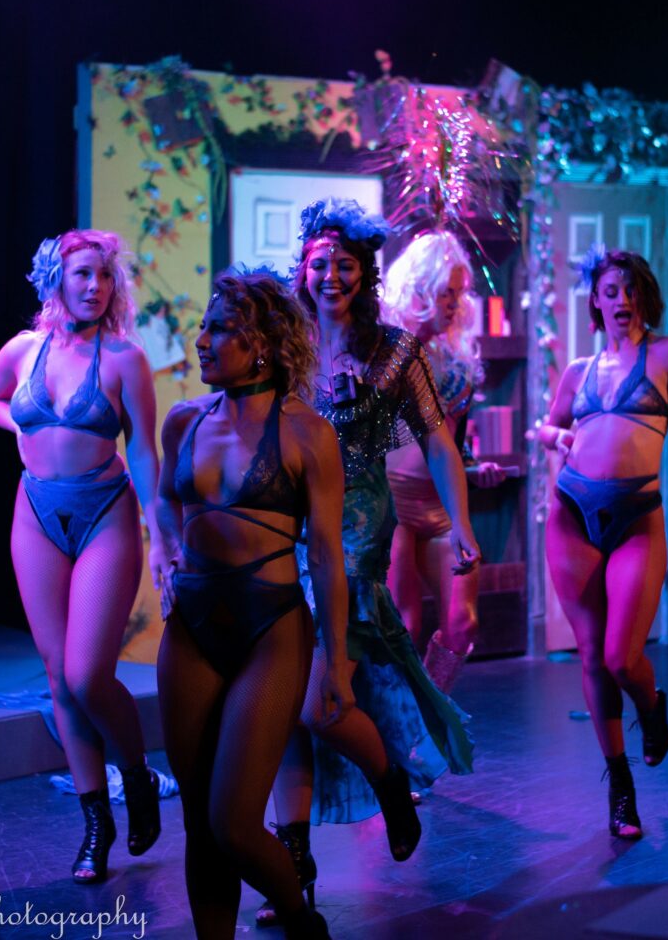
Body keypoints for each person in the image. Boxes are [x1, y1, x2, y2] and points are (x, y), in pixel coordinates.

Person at [260, 199, 479, 926]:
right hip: (284, 524)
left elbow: (438, 440)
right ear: (303, 269)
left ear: (365, 273)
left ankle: (387, 777)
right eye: (318, 263)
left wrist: (462, 524)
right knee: (286, 709)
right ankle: (294, 878)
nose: (329, 275)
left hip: (355, 527)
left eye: (344, 264)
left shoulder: (393, 352)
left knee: (311, 698)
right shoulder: (281, 345)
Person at [155, 268, 350, 939]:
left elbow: (326, 555)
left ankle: (300, 919)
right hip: (192, 624)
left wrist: (336, 662)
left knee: (233, 824)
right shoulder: (184, 421)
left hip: (272, 628)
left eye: (219, 329)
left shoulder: (307, 434)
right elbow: (164, 497)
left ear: (261, 343)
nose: (202, 340)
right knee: (198, 822)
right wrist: (166, 553)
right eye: (204, 327)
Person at [534, 248, 668, 840]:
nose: (621, 299)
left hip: (637, 516)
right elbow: (551, 426)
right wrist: (554, 439)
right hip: (572, 514)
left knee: (623, 658)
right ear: (595, 302)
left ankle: (652, 708)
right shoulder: (578, 370)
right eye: (610, 290)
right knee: (592, 656)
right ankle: (620, 784)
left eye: (630, 289)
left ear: (645, 297)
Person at [0, 230, 164, 883]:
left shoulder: (124, 359)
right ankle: (95, 823)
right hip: (35, 513)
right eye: (83, 273)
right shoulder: (21, 350)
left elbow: (143, 451)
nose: (95, 286)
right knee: (59, 678)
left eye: (104, 276)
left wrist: (161, 533)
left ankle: (136, 774)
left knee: (88, 676)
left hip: (104, 514)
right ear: (54, 277)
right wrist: (24, 423)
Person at [381, 230, 508, 689]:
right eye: (445, 293)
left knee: (462, 622)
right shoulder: (381, 351)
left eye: (459, 293)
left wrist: (473, 467)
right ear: (418, 290)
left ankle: (429, 709)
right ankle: (401, 720)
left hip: (442, 508)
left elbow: (452, 441)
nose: (455, 304)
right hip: (391, 507)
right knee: (403, 623)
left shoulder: (454, 359)